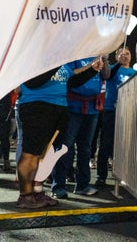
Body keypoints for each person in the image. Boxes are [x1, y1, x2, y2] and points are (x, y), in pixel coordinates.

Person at [18, 57, 104, 209]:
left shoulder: (59, 59)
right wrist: (54, 62)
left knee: (43, 155)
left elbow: (70, 82)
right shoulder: (36, 57)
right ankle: (25, 195)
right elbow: (32, 82)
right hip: (36, 106)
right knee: (30, 153)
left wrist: (92, 70)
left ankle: (37, 191)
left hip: (58, 108)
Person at [52, 55, 108, 199]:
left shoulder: (97, 55)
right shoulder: (75, 54)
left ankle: (82, 184)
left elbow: (106, 75)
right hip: (73, 105)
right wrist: (90, 66)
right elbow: (70, 79)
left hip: (92, 108)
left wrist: (105, 59)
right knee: (65, 147)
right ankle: (58, 185)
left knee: (86, 148)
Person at [96, 47, 136, 186]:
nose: (124, 55)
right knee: (106, 143)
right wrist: (117, 63)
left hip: (127, 111)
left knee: (125, 145)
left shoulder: (135, 72)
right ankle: (101, 176)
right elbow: (108, 76)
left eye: (127, 53)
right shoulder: (112, 68)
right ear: (116, 56)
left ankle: (124, 175)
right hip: (110, 110)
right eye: (121, 53)